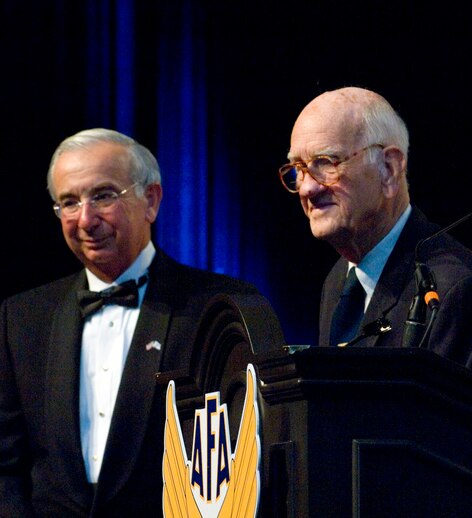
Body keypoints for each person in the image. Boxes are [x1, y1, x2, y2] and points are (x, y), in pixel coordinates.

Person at [0, 128, 285, 516]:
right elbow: (7, 463)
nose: (85, 219)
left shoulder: (218, 309)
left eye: (102, 196)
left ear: (150, 200)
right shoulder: (22, 318)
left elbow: (253, 459)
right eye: (69, 202)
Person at [279, 87, 472, 388]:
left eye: (325, 164)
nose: (306, 189)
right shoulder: (338, 279)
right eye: (299, 169)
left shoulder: (457, 290)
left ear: (389, 169)